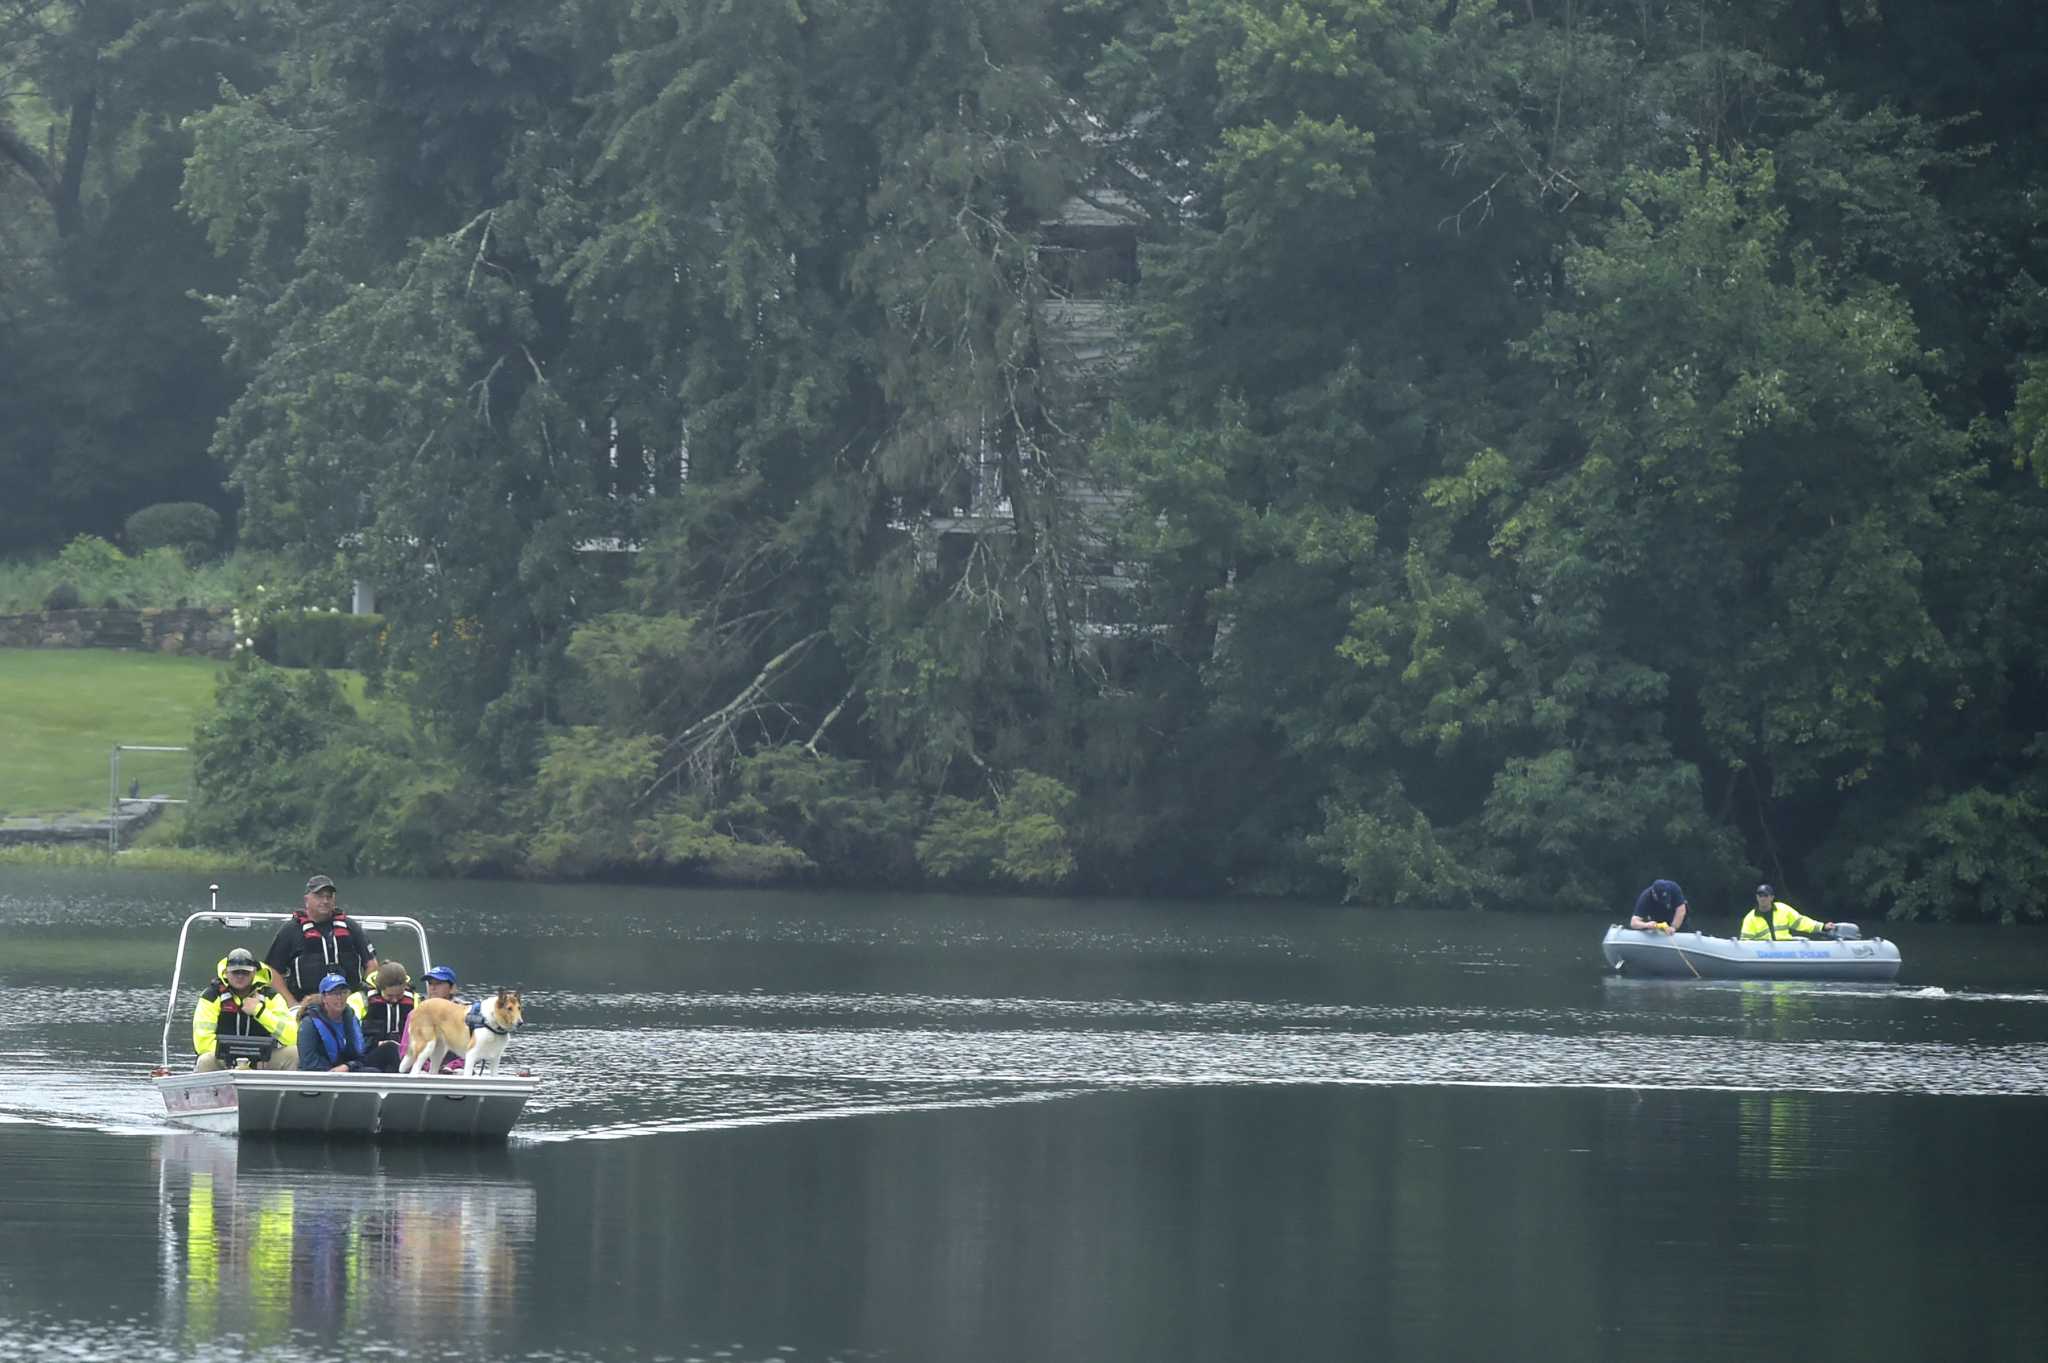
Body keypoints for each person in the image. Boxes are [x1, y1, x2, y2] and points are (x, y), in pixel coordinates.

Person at [265, 875, 378, 1008]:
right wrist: (291, 1003)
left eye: (329, 896)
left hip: (348, 1004)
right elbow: (272, 971)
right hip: (307, 1004)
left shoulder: (350, 927)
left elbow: (371, 963)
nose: (325, 901)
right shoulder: (291, 930)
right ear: (307, 899)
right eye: (319, 896)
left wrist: (362, 996)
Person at [192, 947, 300, 1071]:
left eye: (245, 972)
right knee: (205, 1060)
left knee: (295, 1053)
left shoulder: (271, 997)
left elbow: (292, 1038)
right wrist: (234, 1058)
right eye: (235, 972)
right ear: (226, 973)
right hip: (223, 1060)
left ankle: (283, 1090)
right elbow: (202, 1044)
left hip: (263, 1060)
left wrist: (259, 1012)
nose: (240, 976)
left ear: (254, 973)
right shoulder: (211, 996)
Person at [298, 973, 373, 1072]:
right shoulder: (309, 1023)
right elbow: (308, 1061)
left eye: (343, 992)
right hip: (321, 1076)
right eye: (334, 993)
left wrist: (349, 1066)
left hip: (347, 1070)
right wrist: (335, 1070)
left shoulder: (350, 1017)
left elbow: (359, 1054)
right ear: (324, 997)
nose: (340, 997)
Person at [351, 961, 417, 1073]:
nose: (395, 1000)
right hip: (368, 1055)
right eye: (390, 996)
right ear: (379, 988)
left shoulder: (415, 1000)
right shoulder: (359, 1000)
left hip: (404, 1054)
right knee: (390, 1048)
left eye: (399, 995)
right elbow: (350, 1036)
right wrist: (376, 1043)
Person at [414, 965, 465, 1072]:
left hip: (455, 1070)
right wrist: (429, 1067)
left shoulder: (465, 1014)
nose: (433, 988)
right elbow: (406, 1048)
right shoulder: (416, 1013)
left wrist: (450, 1067)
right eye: (430, 983)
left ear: (452, 988)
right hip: (423, 1069)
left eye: (439, 983)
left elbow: (471, 1050)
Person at [1739, 884, 1833, 941]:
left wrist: (1822, 926)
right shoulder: (1750, 918)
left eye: (1765, 895)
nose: (1762, 898)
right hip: (1764, 952)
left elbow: (1801, 922)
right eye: (1760, 895)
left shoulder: (1783, 909)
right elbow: (1745, 941)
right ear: (1756, 897)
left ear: (1771, 897)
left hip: (1785, 948)